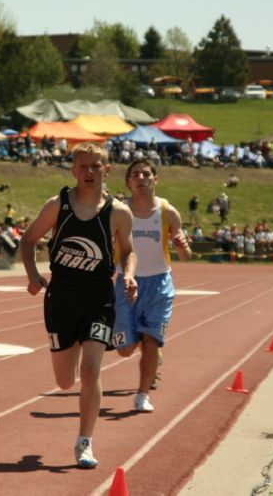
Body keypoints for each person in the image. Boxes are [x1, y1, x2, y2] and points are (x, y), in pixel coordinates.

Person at [20, 142, 137, 469]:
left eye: (95, 166)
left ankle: (84, 442)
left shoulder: (117, 212)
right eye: (83, 166)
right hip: (61, 300)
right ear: (73, 171)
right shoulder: (58, 205)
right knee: (65, 382)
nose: (89, 172)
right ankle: (67, 364)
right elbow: (28, 240)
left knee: (91, 370)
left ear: (106, 170)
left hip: (99, 299)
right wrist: (32, 275)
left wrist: (128, 275)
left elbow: (127, 250)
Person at [111, 158, 192, 413]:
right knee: (124, 349)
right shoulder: (118, 211)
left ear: (155, 179)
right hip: (127, 281)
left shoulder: (168, 212)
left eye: (147, 174)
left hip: (159, 283)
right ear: (128, 182)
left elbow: (185, 256)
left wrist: (182, 246)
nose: (141, 178)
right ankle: (151, 351)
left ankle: (142, 395)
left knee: (150, 341)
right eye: (136, 174)